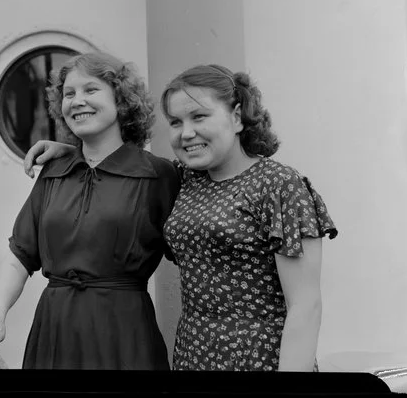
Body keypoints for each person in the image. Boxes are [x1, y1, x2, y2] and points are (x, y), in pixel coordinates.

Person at [24, 64, 338, 372]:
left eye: (199, 116)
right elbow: (122, 172)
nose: (187, 133)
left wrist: (292, 393)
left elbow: (305, 306)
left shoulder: (280, 185)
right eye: (175, 122)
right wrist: (73, 152)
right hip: (193, 360)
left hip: (261, 367)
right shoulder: (185, 178)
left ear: (238, 117)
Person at [0, 52, 181, 370]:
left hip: (124, 331)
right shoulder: (52, 172)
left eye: (90, 90)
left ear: (122, 100)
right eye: (69, 94)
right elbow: (19, 258)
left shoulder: (158, 175)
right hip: (54, 329)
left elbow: (191, 250)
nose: (77, 100)